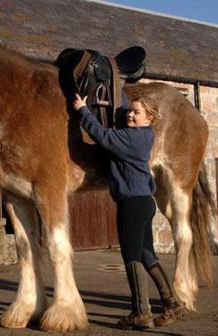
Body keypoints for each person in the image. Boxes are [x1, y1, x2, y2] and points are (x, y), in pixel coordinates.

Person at [73, 93, 186, 330]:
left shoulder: (131, 138)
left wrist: (83, 109)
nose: (130, 114)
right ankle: (172, 302)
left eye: (136, 112)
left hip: (133, 203)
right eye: (130, 110)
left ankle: (141, 313)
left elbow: (102, 135)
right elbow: (122, 111)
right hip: (143, 201)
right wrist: (118, 92)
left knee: (131, 255)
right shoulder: (143, 135)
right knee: (146, 254)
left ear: (150, 118)